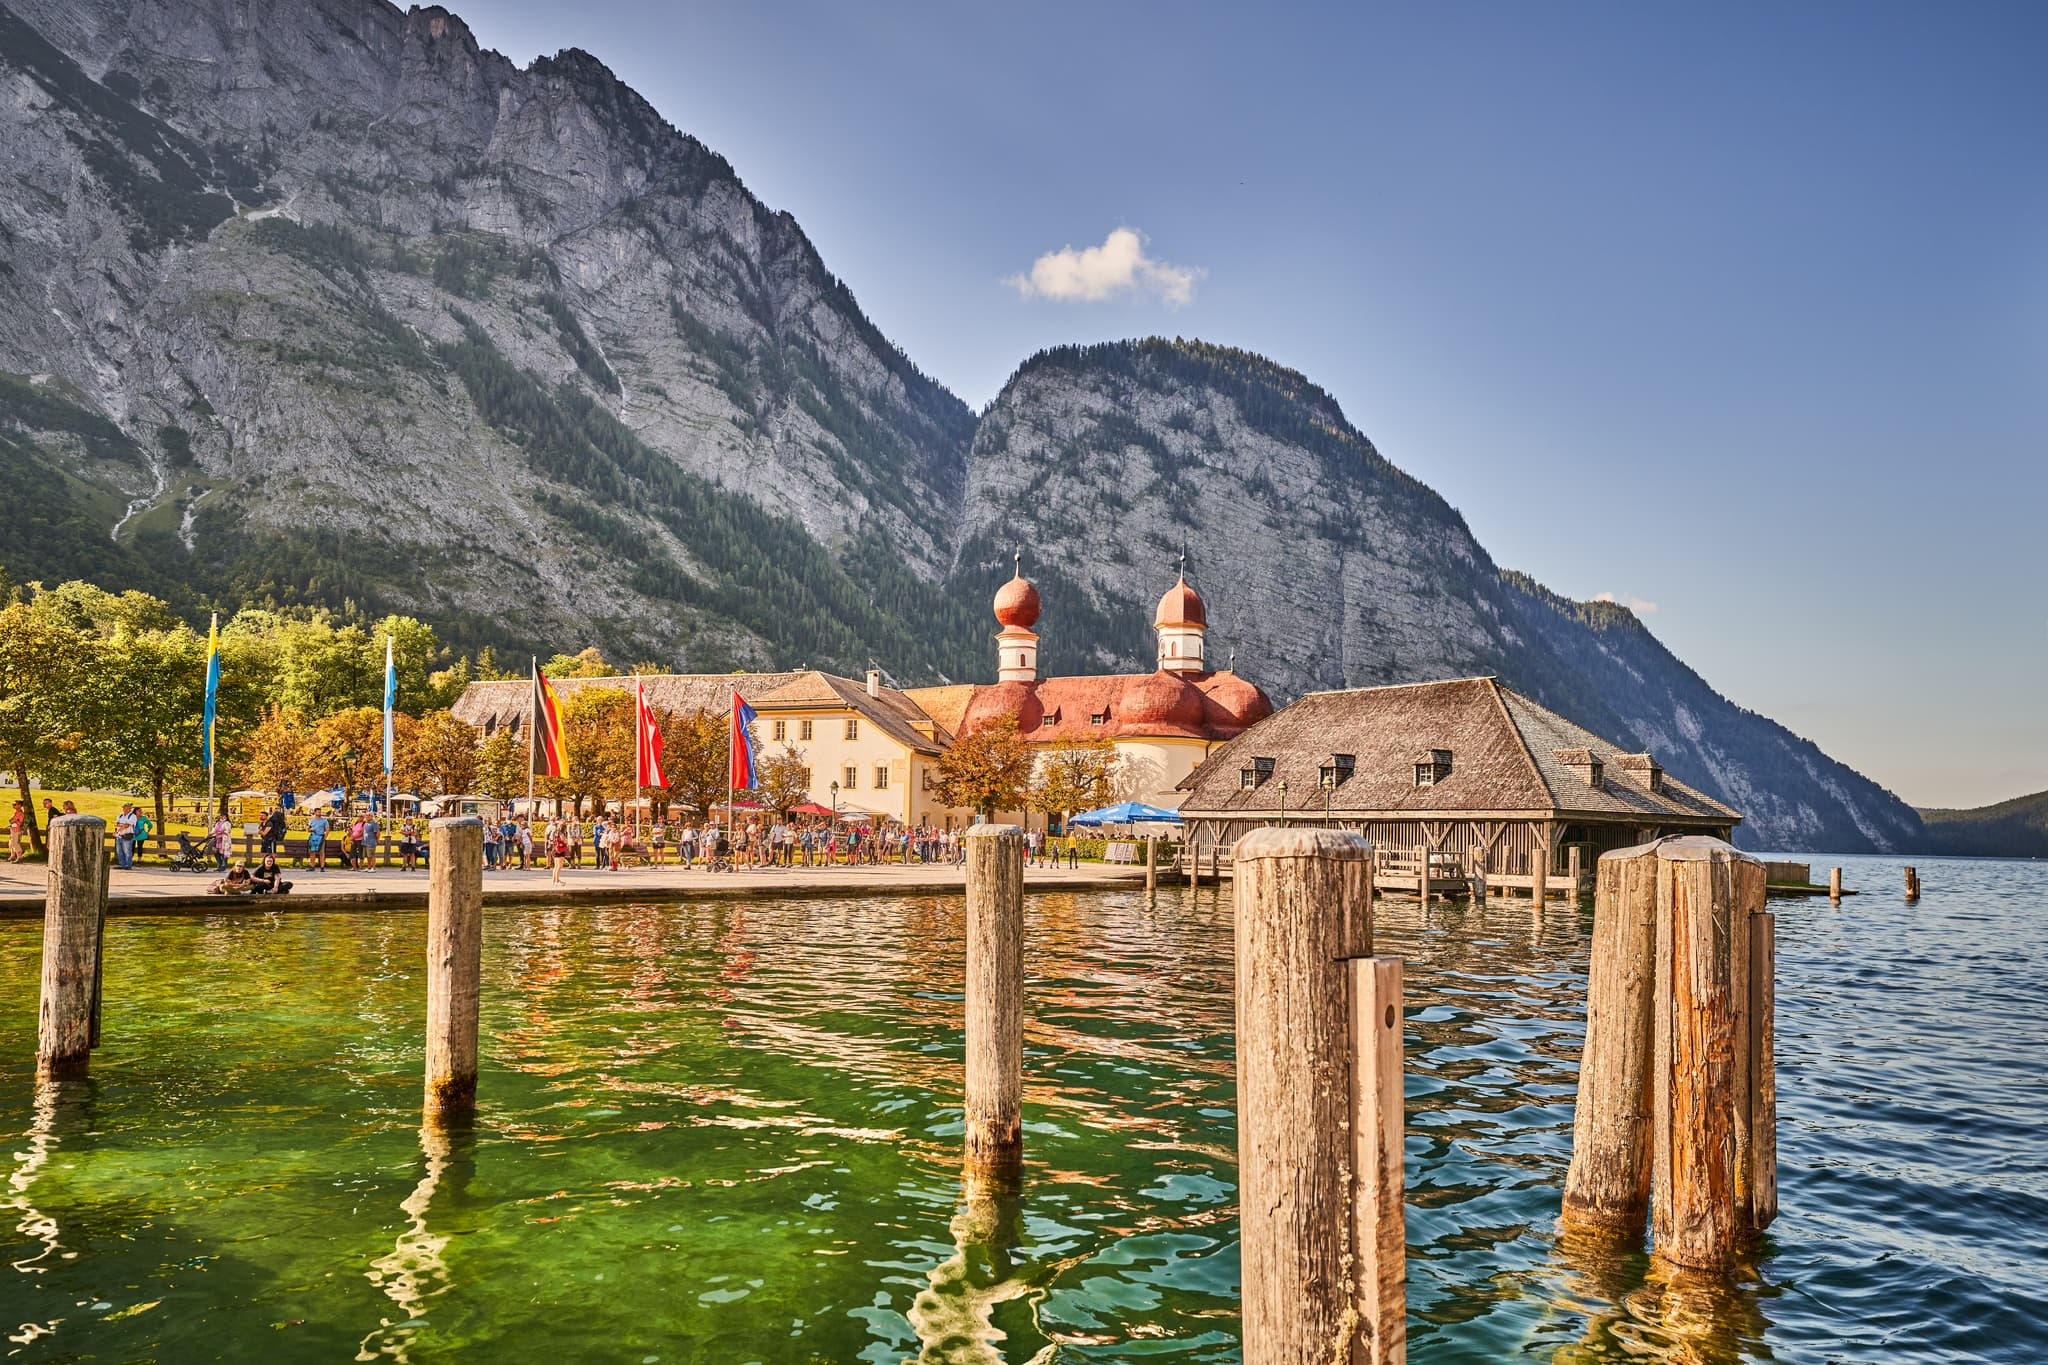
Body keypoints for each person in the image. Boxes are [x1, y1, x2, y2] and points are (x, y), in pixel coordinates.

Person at [114, 802, 138, 870]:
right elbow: (116, 824)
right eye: (124, 808)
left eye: (127, 808)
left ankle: (128, 865)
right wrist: (122, 825)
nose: (125, 809)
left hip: (128, 835)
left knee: (127, 851)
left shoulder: (133, 816)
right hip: (119, 835)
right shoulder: (120, 815)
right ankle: (122, 864)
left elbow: (127, 825)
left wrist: (121, 825)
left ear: (130, 809)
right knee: (119, 851)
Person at [548, 818, 569, 886]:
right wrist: (567, 841)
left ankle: (554, 880)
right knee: (559, 866)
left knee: (556, 866)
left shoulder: (555, 832)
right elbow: (564, 840)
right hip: (560, 850)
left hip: (555, 849)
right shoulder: (561, 833)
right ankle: (557, 881)